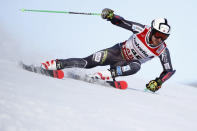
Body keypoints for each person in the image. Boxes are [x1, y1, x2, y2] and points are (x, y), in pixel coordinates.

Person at [41, 8, 176, 92]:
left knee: (136, 65)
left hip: (123, 65)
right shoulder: (143, 30)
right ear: (152, 30)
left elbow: (168, 70)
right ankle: (56, 64)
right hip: (115, 52)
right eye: (158, 34)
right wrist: (111, 16)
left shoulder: (162, 50)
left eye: (164, 37)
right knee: (86, 63)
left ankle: (106, 75)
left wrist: (158, 82)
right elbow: (122, 22)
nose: (160, 39)